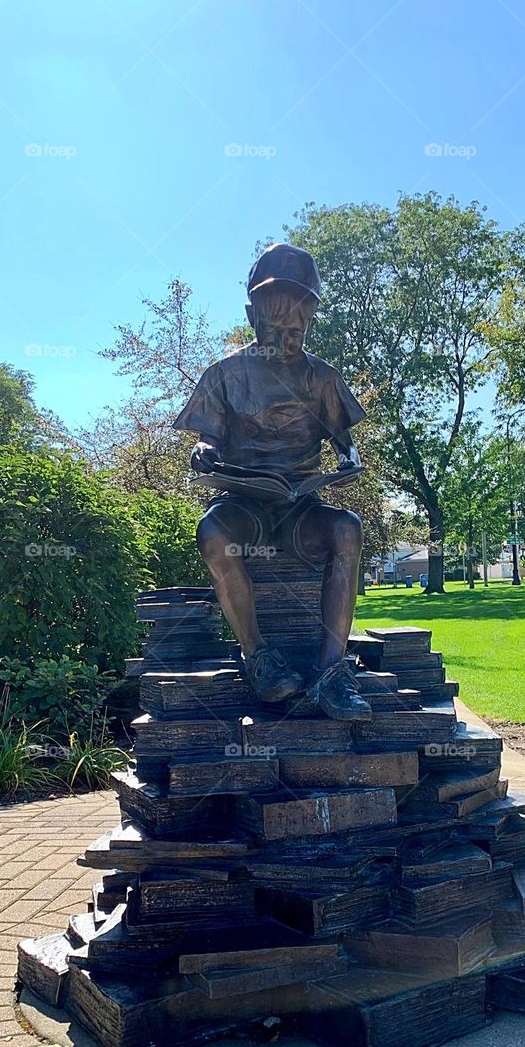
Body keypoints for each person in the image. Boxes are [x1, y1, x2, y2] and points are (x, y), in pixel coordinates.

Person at [172, 242, 371, 721]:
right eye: (272, 330)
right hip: (244, 505)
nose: (284, 341)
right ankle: (258, 657)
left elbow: (345, 444)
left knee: (347, 528)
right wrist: (203, 453)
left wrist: (348, 463)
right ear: (250, 317)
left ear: (310, 324)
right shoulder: (224, 374)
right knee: (212, 532)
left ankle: (331, 672)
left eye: (295, 332)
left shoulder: (322, 378)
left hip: (302, 507)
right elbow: (206, 440)